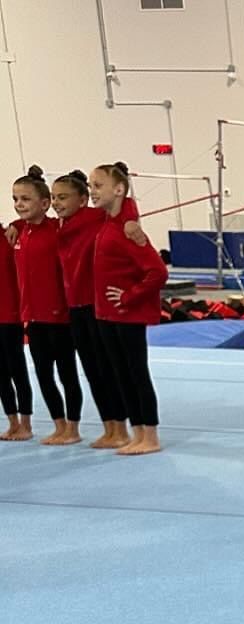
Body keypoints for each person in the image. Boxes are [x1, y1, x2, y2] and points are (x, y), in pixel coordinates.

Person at [51, 169, 137, 450]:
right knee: (91, 370)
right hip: (74, 306)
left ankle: (121, 427)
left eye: (63, 197)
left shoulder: (94, 218)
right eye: (53, 198)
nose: (56, 203)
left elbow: (123, 205)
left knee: (106, 368)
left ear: (83, 199)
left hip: (95, 304)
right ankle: (108, 426)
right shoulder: (60, 226)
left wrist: (132, 220)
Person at [89, 163, 167, 454]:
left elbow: (157, 272)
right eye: (90, 185)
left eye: (98, 185)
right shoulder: (109, 222)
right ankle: (137, 433)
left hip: (127, 314)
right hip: (107, 314)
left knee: (136, 374)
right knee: (121, 374)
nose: (92, 191)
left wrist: (129, 296)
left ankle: (151, 436)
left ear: (118, 189)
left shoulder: (127, 229)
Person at [11, 166, 83, 445]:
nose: (19, 205)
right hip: (34, 317)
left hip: (60, 317)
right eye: (15, 199)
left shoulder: (57, 230)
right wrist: (17, 226)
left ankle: (73, 428)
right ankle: (59, 424)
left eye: (25, 199)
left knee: (67, 374)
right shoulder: (20, 233)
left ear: (44, 203)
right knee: (43, 375)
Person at [0, 216, 32, 440]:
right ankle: (12, 421)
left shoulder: (9, 238)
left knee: (17, 369)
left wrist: (18, 225)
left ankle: (26, 423)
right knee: (1, 374)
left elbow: (28, 223)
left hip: (10, 316)